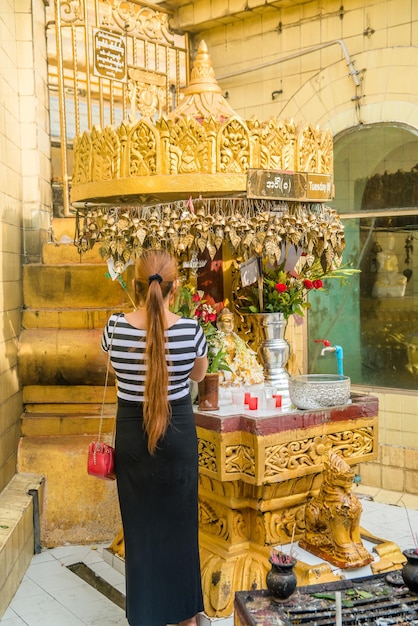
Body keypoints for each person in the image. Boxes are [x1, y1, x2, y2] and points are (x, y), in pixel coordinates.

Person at [101, 249, 208, 626]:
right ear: (175, 289)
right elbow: (198, 376)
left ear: (135, 286)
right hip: (178, 434)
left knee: (141, 532)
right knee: (180, 530)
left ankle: (146, 616)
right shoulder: (191, 331)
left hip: (132, 435)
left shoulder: (114, 328)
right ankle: (186, 618)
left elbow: (113, 365)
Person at [214, 307, 264, 386]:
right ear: (219, 323)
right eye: (227, 321)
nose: (231, 324)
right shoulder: (215, 340)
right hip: (224, 371)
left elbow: (245, 356)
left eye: (232, 321)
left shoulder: (237, 339)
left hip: (238, 370)